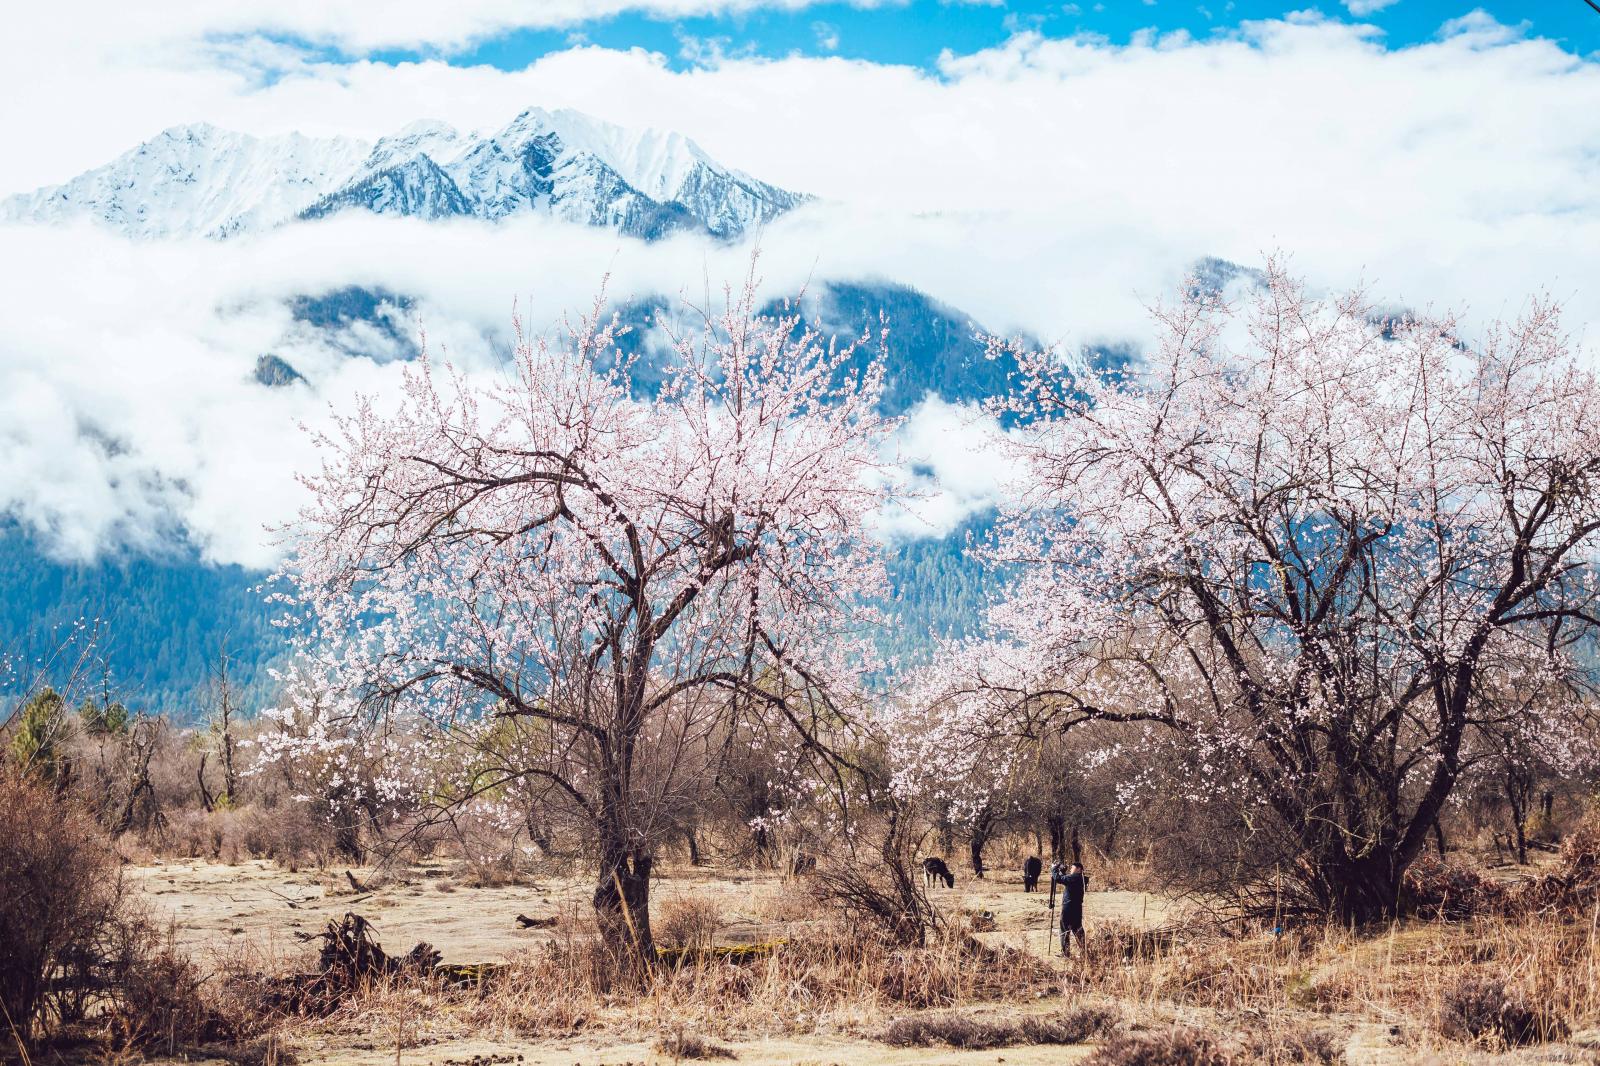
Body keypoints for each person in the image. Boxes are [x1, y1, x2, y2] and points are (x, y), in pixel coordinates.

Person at [1051, 861, 1088, 957]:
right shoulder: (1082, 879)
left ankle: (1065, 953)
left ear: (1079, 869)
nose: (1071, 869)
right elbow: (1066, 880)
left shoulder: (1075, 877)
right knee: (1077, 929)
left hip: (1068, 907)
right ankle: (1085, 951)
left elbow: (1058, 879)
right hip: (1077, 908)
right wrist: (1063, 872)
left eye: (1073, 868)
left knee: (1064, 929)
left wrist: (1054, 869)